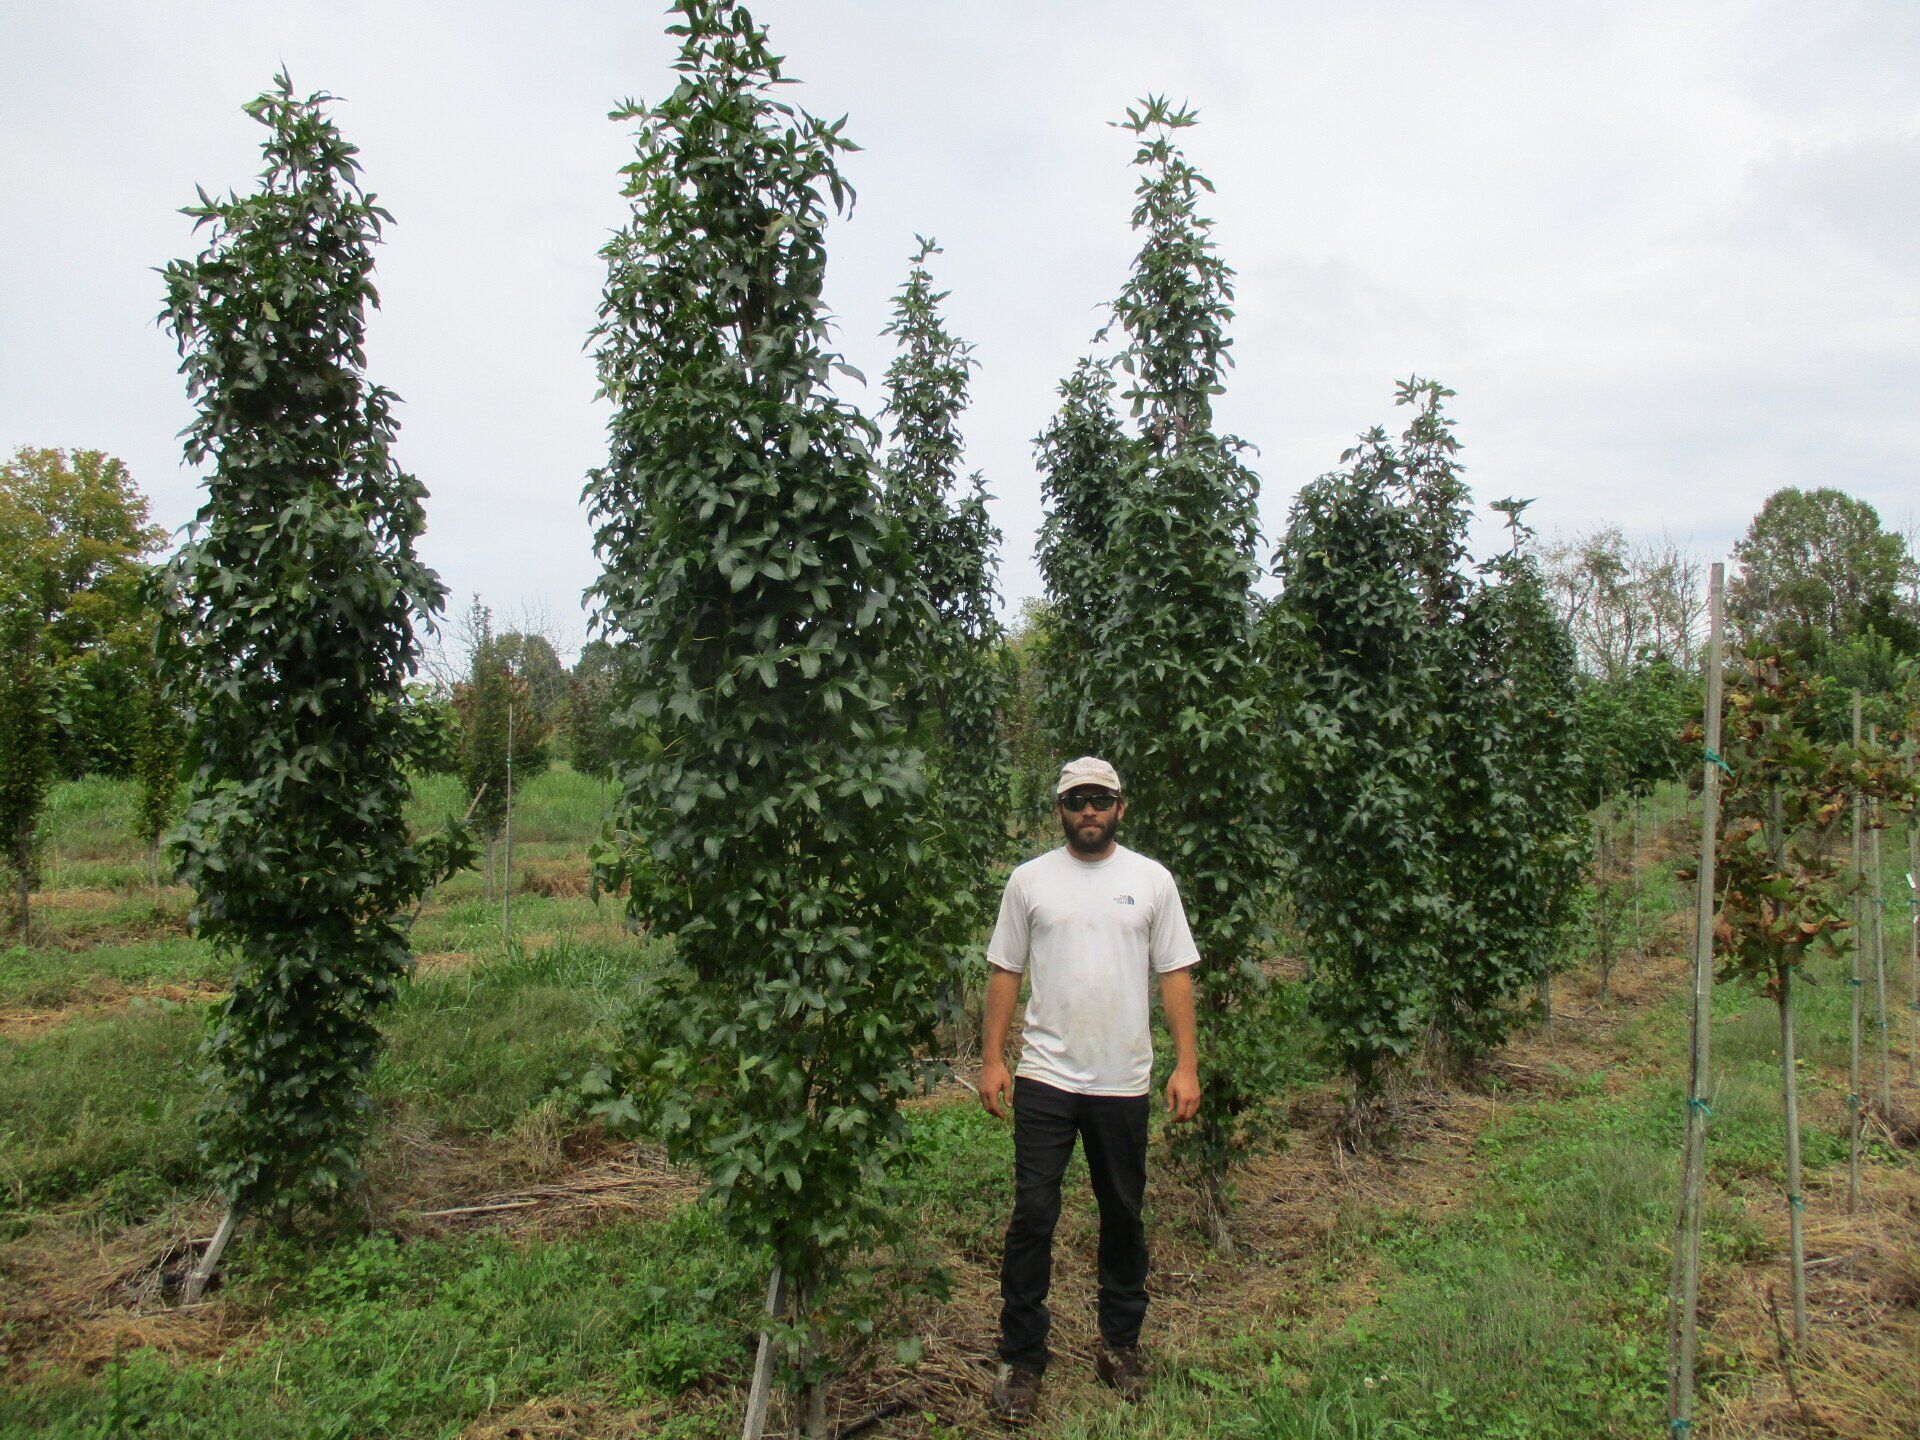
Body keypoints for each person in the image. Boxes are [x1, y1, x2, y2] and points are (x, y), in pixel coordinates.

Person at [979, 756, 1201, 1425]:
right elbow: (1004, 969)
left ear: (1120, 807)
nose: (1088, 812)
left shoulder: (1151, 881)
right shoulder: (1029, 882)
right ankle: (1021, 1360)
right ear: (1060, 809)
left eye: (1100, 800)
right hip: (1045, 1076)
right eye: (1076, 800)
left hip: (1122, 1080)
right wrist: (992, 1056)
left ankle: (1121, 1345)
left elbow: (1175, 975)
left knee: (1124, 1215)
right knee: (1033, 1217)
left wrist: (1186, 1065)